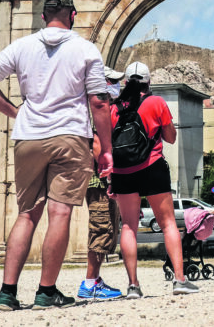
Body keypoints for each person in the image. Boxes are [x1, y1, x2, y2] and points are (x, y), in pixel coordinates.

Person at [0, 0, 112, 311]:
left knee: (27, 213)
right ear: (73, 15)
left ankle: (7, 293)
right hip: (70, 137)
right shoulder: (85, 48)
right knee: (60, 213)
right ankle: (46, 292)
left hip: (29, 137)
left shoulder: (22, 46)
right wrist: (105, 148)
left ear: (42, 16)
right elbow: (99, 102)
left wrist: (14, 112)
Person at [110, 61, 199, 298]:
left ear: (126, 82)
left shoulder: (113, 108)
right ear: (148, 83)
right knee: (168, 223)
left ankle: (133, 286)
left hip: (122, 172)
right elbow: (170, 138)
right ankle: (180, 280)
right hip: (151, 166)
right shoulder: (156, 102)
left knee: (128, 226)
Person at [77, 66, 126, 301]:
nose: (116, 86)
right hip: (99, 182)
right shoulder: (95, 110)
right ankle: (89, 283)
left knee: (106, 229)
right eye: (111, 81)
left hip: (100, 180)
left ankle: (94, 279)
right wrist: (110, 178)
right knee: (100, 228)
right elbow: (97, 145)